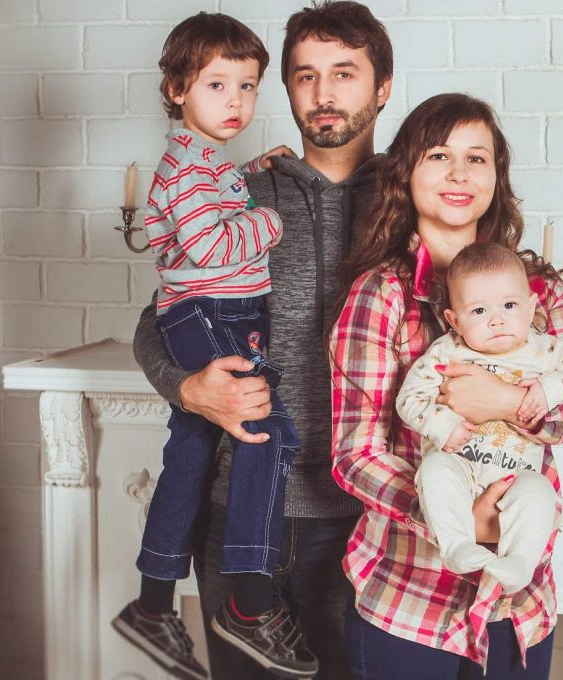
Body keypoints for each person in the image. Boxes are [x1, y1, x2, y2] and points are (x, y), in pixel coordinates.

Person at [132, 3, 395, 678]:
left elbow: (486, 308)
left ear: (383, 87)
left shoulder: (416, 197)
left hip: (367, 518)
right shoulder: (240, 189)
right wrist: (188, 388)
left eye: (345, 73)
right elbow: (157, 319)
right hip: (240, 509)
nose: (324, 92)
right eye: (305, 76)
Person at [330, 93, 563, 680]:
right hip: (409, 593)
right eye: (439, 155)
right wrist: (459, 518)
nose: (460, 173)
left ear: (497, 175)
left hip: (521, 603)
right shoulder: (380, 294)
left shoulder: (539, 289)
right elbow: (354, 454)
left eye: (477, 157)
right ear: (406, 174)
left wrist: (512, 403)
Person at [112, 12, 317, 680]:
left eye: (248, 87)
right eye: (217, 85)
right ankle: (249, 598)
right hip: (210, 317)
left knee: (192, 458)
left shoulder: (206, 163)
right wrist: (269, 220)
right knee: (269, 435)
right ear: (176, 88)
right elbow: (210, 243)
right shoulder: (185, 168)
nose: (236, 101)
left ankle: (151, 603)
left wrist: (254, 170)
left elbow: (212, 200)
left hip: (215, 313)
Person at [396, 242, 563, 595]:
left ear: (532, 306)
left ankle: (519, 562)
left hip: (515, 473)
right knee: (435, 472)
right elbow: (408, 399)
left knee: (539, 492)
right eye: (478, 310)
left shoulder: (544, 350)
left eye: (509, 305)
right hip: (460, 465)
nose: (497, 319)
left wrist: (549, 389)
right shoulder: (447, 351)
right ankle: (457, 545)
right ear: (454, 321)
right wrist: (443, 425)